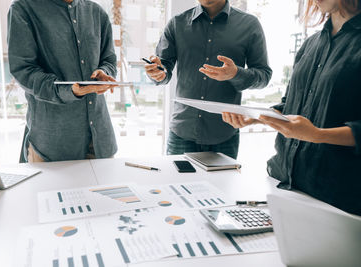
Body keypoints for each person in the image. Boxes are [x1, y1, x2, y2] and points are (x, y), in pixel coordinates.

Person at [222, 0, 361, 215]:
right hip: (283, 183)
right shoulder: (310, 44)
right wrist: (257, 117)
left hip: (335, 197)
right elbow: (291, 105)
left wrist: (317, 134)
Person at [145, 0, 272, 159]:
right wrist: (158, 73)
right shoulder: (177, 23)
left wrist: (235, 74)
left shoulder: (249, 24)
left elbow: (264, 75)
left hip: (224, 135)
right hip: (182, 132)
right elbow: (163, 69)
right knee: (174, 184)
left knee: (221, 185)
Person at [8, 0, 118, 162]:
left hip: (100, 143)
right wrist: (69, 91)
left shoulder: (97, 12)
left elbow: (108, 59)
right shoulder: (23, 9)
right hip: (53, 147)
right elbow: (24, 70)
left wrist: (104, 72)